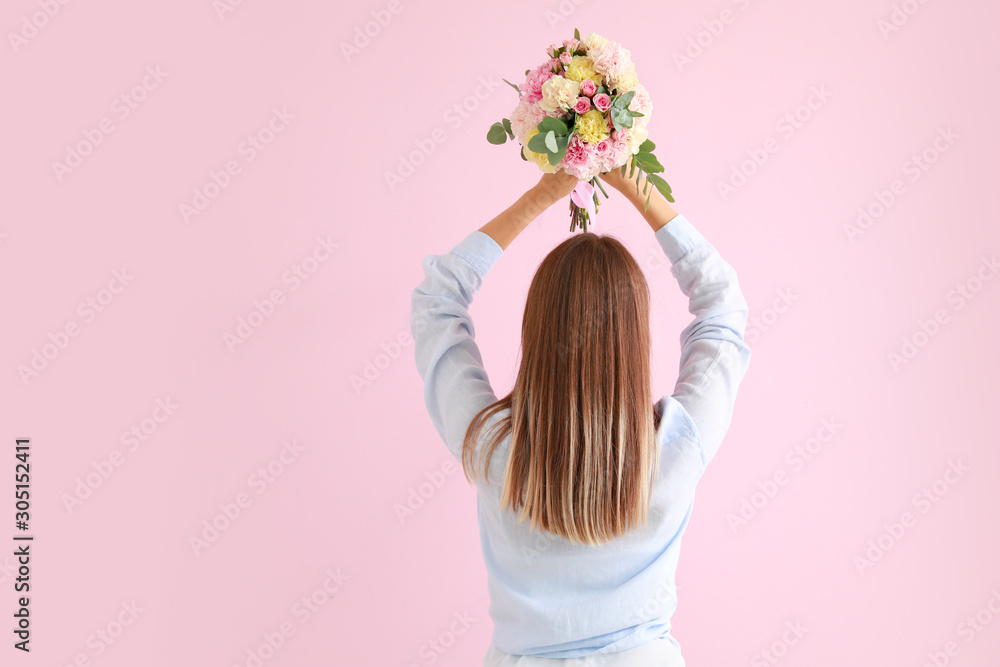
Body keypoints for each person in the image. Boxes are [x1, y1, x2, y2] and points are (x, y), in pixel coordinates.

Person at [409, 165, 753, 666]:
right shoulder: (675, 446)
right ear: (635, 339)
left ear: (536, 329)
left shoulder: (490, 444)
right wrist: (637, 187)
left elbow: (436, 301)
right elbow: (723, 306)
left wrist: (542, 195)